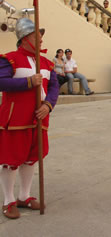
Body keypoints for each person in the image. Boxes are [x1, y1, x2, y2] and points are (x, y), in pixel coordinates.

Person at [0, 18, 59, 219]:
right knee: (11, 160)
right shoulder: (10, 59)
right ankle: (8, 201)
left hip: (39, 118)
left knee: (32, 158)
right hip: (16, 118)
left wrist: (48, 105)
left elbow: (53, 87)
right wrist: (28, 82)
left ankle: (24, 196)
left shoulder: (46, 62)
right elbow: (1, 81)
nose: (41, 39)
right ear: (25, 38)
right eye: (37, 35)